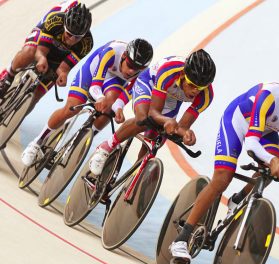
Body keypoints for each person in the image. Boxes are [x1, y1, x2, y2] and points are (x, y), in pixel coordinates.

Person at [169, 71, 279, 263]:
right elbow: (252, 144)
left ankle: (238, 199)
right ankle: (181, 239)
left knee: (275, 169)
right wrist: (272, 160)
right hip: (238, 120)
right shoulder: (269, 96)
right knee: (223, 178)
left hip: (265, 129)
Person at [21, 38, 154, 167]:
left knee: (110, 110)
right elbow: (94, 86)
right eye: (130, 65)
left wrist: (118, 108)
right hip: (92, 72)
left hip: (114, 81)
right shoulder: (111, 52)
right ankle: (37, 142)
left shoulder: (142, 74)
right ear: (124, 56)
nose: (131, 71)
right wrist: (100, 98)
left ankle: (84, 137)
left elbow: (125, 95)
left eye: (137, 69)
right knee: (71, 108)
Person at [88, 49, 216, 176]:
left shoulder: (206, 96)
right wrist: (167, 121)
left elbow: (180, 128)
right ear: (183, 75)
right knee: (143, 120)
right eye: (192, 85)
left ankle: (135, 177)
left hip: (172, 98)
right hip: (149, 83)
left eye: (200, 88)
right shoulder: (170, 71)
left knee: (157, 140)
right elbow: (153, 113)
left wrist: (186, 135)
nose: (195, 91)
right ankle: (106, 147)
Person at [0, 0, 81, 97]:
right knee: (29, 52)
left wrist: (62, 73)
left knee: (37, 95)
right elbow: (42, 36)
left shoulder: (84, 39)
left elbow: (65, 67)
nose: (73, 39)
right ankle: (8, 75)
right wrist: (40, 55)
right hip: (46, 31)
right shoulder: (61, 14)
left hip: (59, 44)